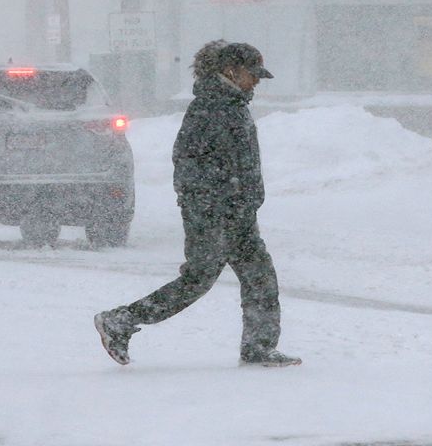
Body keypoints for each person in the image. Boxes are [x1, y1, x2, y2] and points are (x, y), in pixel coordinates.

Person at [94, 41, 300, 367]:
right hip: (216, 214)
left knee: (259, 278)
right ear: (230, 71)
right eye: (252, 74)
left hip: (236, 213)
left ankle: (259, 348)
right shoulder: (211, 108)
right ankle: (121, 320)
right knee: (197, 281)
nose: (256, 81)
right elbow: (187, 164)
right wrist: (211, 206)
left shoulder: (230, 105)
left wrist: (243, 202)